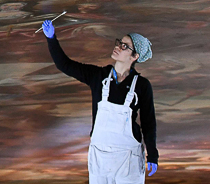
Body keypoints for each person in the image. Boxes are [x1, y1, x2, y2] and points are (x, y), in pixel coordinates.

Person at [42, 19, 158, 183]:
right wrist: (51, 38)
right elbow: (64, 65)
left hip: (128, 159)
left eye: (124, 46)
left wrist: (152, 154)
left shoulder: (142, 85)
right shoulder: (99, 76)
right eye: (119, 42)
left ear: (135, 56)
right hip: (99, 159)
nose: (118, 46)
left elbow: (148, 122)